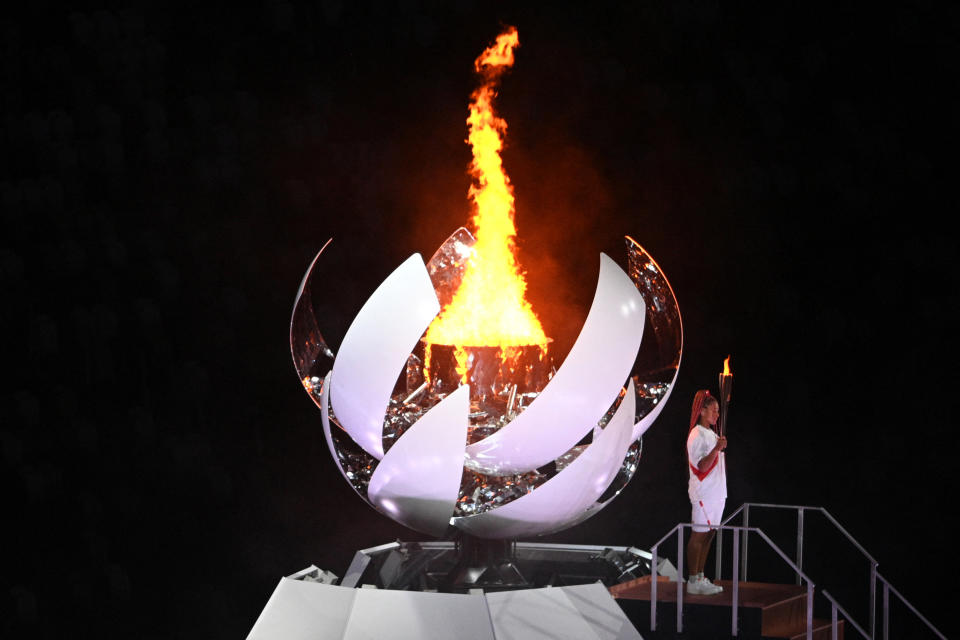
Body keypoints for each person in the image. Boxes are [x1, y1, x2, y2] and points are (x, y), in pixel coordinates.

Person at [685, 389, 727, 595]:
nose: (717, 414)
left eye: (718, 411)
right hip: (703, 494)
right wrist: (717, 449)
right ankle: (693, 580)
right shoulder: (697, 435)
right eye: (714, 410)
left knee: (709, 535)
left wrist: (717, 445)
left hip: (716, 493)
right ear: (702, 411)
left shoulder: (711, 434)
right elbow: (701, 466)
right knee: (698, 535)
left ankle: (701, 577)